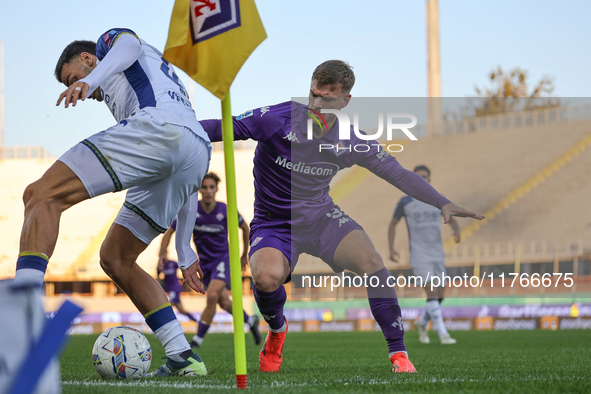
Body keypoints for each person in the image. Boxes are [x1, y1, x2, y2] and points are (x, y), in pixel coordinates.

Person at [198, 60, 484, 373]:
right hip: (274, 222)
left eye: (326, 99)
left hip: (321, 219)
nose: (316, 105)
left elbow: (398, 174)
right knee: (265, 279)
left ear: (345, 101)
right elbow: (220, 128)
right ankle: (277, 331)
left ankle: (399, 355)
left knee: (373, 263)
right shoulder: (277, 118)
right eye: (312, 95)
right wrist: (174, 134)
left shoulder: (350, 138)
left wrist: (441, 202)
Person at [13, 28, 212, 377]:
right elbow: (187, 175)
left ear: (88, 59)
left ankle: (20, 321)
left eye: (73, 77)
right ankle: (183, 355)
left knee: (40, 194)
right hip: (195, 148)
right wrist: (185, 251)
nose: (76, 88)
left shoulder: (109, 46)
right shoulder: (139, 90)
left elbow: (129, 43)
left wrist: (92, 80)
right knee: (116, 258)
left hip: (157, 129)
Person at [158, 172, 261, 347]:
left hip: (223, 261)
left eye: (211, 187)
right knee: (223, 302)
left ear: (216, 189)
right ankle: (250, 321)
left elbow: (245, 227)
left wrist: (244, 255)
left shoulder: (225, 210)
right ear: (199, 189)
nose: (208, 191)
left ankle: (196, 340)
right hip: (203, 264)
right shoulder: (191, 210)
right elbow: (170, 230)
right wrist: (162, 254)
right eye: (204, 187)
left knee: (212, 296)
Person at [388, 165, 461, 345]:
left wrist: (457, 230)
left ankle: (421, 323)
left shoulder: (436, 199)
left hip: (437, 253)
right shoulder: (405, 202)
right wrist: (391, 249)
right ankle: (443, 334)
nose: (422, 179)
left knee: (440, 295)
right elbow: (392, 225)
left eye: (425, 177)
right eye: (418, 177)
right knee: (432, 292)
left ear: (429, 179)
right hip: (419, 255)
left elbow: (451, 218)